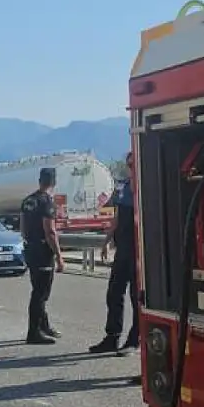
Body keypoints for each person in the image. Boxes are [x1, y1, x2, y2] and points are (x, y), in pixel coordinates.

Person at [88, 151, 141, 354]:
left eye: (133, 164)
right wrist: (106, 240)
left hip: (139, 251)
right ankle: (112, 337)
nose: (131, 168)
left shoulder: (146, 186)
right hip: (123, 250)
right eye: (129, 165)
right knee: (114, 293)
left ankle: (134, 339)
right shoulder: (125, 188)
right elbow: (118, 217)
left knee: (137, 297)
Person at [19, 167, 65, 344]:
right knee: (40, 293)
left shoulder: (28, 200)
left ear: (39, 181)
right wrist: (59, 256)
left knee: (38, 289)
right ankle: (33, 332)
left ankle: (44, 326)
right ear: (53, 182)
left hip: (30, 248)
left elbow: (22, 227)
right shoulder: (47, 202)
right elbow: (50, 231)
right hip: (42, 251)